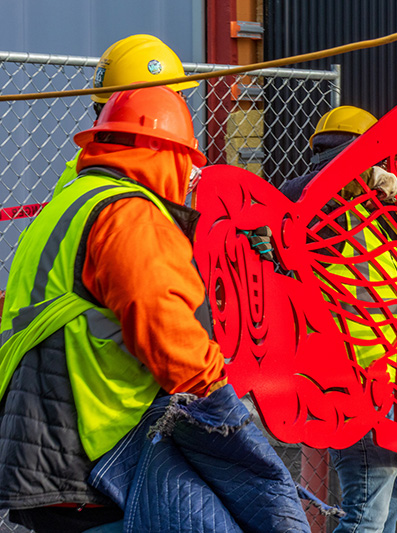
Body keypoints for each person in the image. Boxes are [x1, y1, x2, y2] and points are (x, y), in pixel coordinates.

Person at [0, 86, 305, 532]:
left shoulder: (71, 201)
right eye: (187, 160)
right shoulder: (131, 215)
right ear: (165, 152)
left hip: (46, 441)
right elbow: (167, 330)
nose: (189, 177)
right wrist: (221, 408)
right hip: (92, 451)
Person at [280, 105, 397, 533]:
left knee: (390, 504)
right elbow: (294, 199)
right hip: (354, 386)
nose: (384, 169)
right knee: (367, 511)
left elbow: (393, 304)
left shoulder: (371, 225)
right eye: (377, 159)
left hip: (388, 388)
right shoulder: (326, 216)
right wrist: (352, 176)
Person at [53, 33, 198, 198]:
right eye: (177, 96)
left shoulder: (89, 161)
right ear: (152, 105)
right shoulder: (142, 173)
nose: (182, 103)